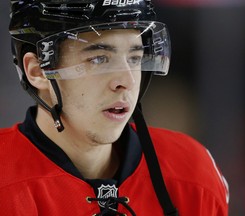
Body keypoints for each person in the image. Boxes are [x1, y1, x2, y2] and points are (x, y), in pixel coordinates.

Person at [0, 0, 229, 215]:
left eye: (134, 58)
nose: (127, 82)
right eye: (99, 59)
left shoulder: (192, 172)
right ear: (38, 71)